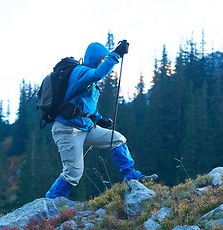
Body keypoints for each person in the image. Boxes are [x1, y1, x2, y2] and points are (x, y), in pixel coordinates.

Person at [46, 40, 157, 199]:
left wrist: (99, 119)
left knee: (117, 139)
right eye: (102, 59)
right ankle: (49, 203)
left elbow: (84, 105)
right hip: (67, 130)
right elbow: (99, 73)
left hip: (85, 126)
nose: (104, 62)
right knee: (73, 173)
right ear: (95, 59)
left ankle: (132, 176)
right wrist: (116, 54)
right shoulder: (81, 72)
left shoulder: (89, 79)